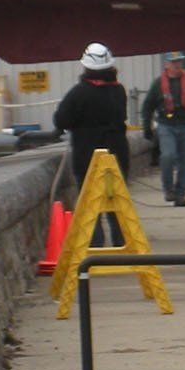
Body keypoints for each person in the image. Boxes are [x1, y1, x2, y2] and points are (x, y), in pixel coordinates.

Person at [52, 43, 130, 244]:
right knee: (116, 204)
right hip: (117, 156)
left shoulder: (79, 93)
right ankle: (121, 245)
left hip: (87, 158)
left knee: (90, 207)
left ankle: (95, 249)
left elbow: (61, 120)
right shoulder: (119, 91)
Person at [142, 52, 185, 206]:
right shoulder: (158, 84)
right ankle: (168, 189)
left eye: (179, 62)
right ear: (166, 65)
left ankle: (181, 194)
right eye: (173, 62)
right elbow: (148, 106)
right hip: (166, 125)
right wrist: (147, 126)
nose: (177, 65)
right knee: (168, 156)